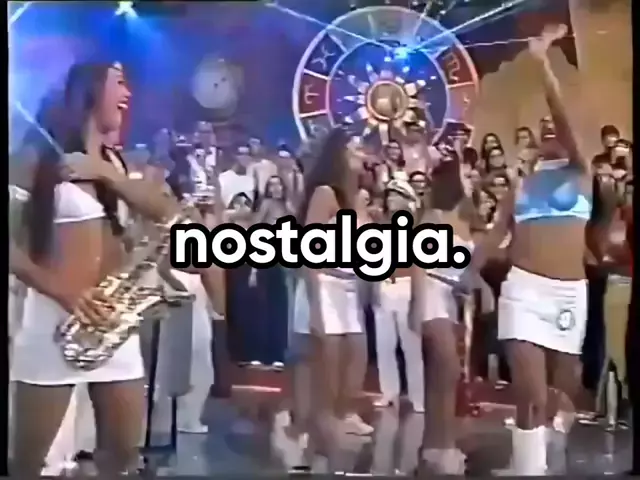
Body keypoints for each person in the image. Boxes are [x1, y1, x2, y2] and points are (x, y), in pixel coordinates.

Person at [11, 61, 179, 476]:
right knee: (28, 463)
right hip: (53, 324)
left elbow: (167, 212)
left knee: (123, 455)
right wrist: (62, 292)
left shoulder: (114, 163)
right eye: (119, 83)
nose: (128, 94)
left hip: (112, 326)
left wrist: (103, 172)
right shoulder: (36, 157)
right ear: (89, 90)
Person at [463, 25, 594, 475]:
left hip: (569, 293)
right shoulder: (521, 185)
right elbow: (495, 233)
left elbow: (563, 115)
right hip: (524, 289)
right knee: (530, 394)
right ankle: (527, 470)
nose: (551, 131)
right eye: (544, 130)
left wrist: (542, 62)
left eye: (555, 128)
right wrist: (470, 273)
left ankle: (541, 454)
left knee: (564, 385)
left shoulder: (580, 173)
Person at [410, 146, 493, 475]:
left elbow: (470, 265)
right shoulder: (433, 216)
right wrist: (416, 306)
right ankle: (440, 445)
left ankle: (434, 445)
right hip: (431, 291)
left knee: (443, 377)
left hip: (454, 298)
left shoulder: (467, 218)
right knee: (446, 369)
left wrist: (481, 285)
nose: (470, 179)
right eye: (464, 175)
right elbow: (418, 263)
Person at [294, 128, 373, 472]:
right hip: (325, 286)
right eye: (355, 148)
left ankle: (313, 453)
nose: (361, 153)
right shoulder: (325, 193)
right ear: (339, 154)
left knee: (354, 365)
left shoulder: (354, 198)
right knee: (326, 378)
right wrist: (315, 308)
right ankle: (328, 454)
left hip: (348, 289)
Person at [373, 179, 424, 413]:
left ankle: (418, 396)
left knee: (411, 346)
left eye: (396, 195)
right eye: (389, 195)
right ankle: (389, 392)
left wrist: (416, 295)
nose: (391, 199)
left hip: (406, 286)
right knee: (384, 345)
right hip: (385, 285)